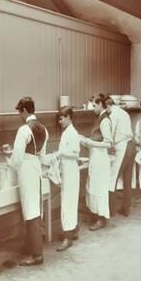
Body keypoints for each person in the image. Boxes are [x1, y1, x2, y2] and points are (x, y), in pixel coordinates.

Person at [5, 97, 49, 266]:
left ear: (24, 111)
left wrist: (6, 156)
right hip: (36, 168)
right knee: (35, 209)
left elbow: (16, 160)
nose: (19, 115)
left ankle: (37, 255)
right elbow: (43, 156)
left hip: (26, 170)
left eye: (19, 112)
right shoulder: (44, 129)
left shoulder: (24, 130)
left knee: (31, 212)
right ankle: (31, 246)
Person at [80, 95, 113, 230]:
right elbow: (96, 139)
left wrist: (89, 142)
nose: (93, 109)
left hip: (100, 158)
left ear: (100, 104)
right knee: (92, 187)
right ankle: (95, 215)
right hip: (95, 157)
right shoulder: (99, 119)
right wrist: (85, 140)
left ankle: (101, 219)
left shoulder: (105, 121)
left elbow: (108, 143)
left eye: (94, 106)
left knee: (99, 189)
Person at [104, 96, 136, 216]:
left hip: (123, 148)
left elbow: (110, 137)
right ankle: (126, 209)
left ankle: (111, 211)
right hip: (132, 146)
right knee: (127, 180)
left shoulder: (112, 115)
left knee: (112, 180)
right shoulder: (124, 112)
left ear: (108, 106)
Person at [55, 106, 81, 251]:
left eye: (62, 118)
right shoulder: (66, 132)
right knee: (69, 202)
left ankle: (68, 238)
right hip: (67, 170)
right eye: (59, 119)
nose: (60, 121)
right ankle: (73, 231)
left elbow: (76, 154)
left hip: (71, 170)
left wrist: (60, 153)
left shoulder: (72, 133)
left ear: (69, 117)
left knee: (67, 203)